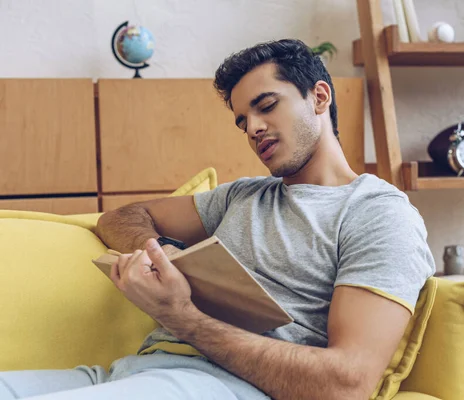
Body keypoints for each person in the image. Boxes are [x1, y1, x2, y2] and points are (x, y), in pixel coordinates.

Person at [0, 39, 435, 400]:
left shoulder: (377, 212)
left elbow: (347, 383)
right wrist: (159, 254)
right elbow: (123, 216)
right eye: (243, 120)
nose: (253, 129)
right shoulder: (242, 195)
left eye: (267, 106)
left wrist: (182, 316)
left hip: (222, 386)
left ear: (319, 97)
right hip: (131, 372)